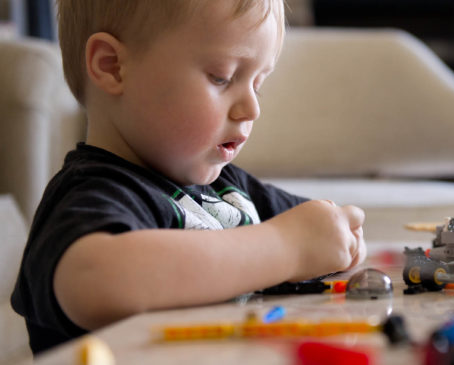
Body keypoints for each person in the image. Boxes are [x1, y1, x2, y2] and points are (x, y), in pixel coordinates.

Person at [11, 0, 367, 354]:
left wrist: (339, 240)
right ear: (113, 67)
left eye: (258, 84)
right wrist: (285, 248)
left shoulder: (228, 189)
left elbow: (319, 230)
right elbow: (94, 282)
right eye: (222, 77)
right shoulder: (93, 193)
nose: (252, 109)